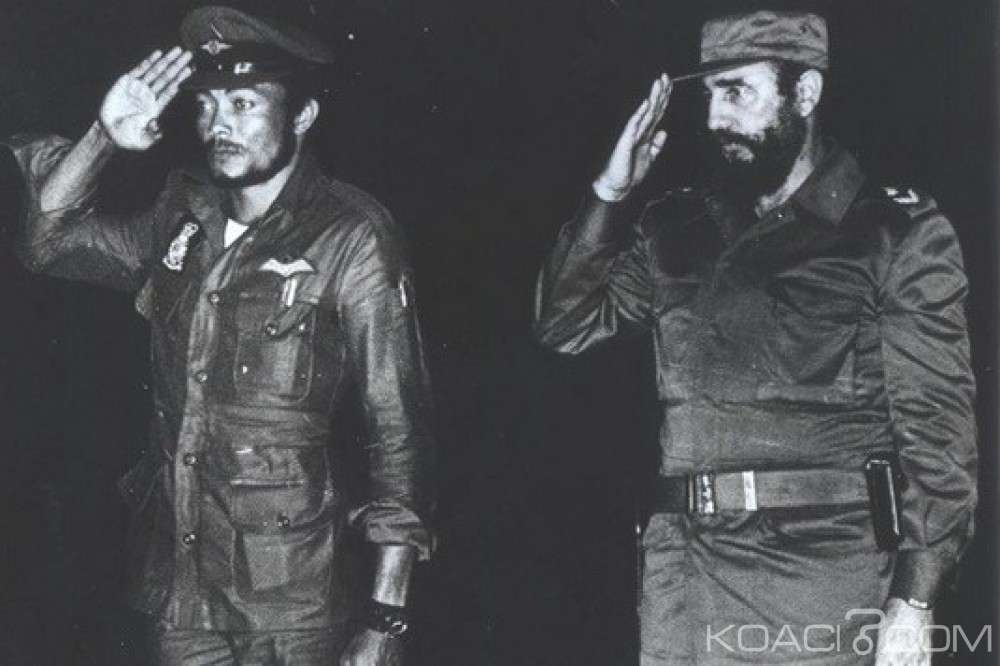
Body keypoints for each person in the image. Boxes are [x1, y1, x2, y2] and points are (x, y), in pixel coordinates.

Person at [533, 10, 976, 665]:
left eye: (737, 91)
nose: (716, 117)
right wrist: (610, 193)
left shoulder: (891, 233)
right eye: (710, 94)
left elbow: (938, 439)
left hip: (818, 586)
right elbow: (564, 325)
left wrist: (914, 602)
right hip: (682, 582)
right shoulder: (678, 227)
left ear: (806, 93)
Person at [8, 6, 434, 665]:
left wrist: (385, 618)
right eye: (206, 104)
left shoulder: (351, 238)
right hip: (182, 595)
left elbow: (399, 429)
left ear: (302, 115)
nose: (218, 124)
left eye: (243, 103)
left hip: (295, 607)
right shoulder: (182, 217)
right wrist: (102, 138)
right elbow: (46, 246)